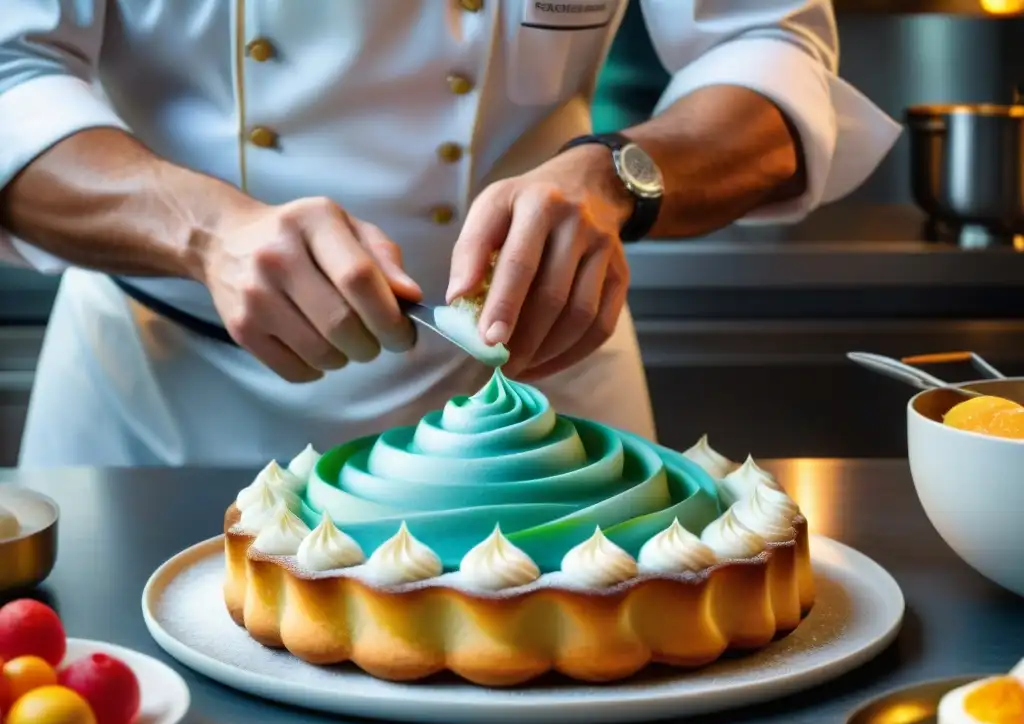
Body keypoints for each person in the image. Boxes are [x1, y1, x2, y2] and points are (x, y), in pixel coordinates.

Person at [0, 1, 900, 469]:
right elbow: (12, 74)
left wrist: (615, 172)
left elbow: (767, 49)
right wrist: (207, 233)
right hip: (166, 410)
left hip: (547, 393)